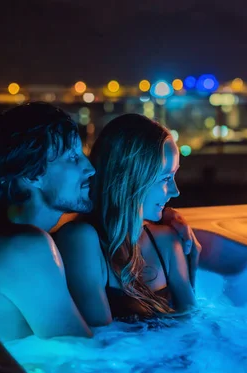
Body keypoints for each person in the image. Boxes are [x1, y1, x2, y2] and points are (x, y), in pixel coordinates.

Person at [0, 103, 200, 341]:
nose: (90, 168)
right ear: (32, 174)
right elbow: (88, 356)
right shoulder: (26, 247)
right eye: (72, 157)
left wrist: (165, 215)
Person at [53, 114, 196, 326]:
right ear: (131, 179)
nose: (175, 191)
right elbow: (101, 342)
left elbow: (193, 326)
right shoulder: (81, 241)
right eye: (166, 178)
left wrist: (194, 256)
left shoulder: (166, 242)